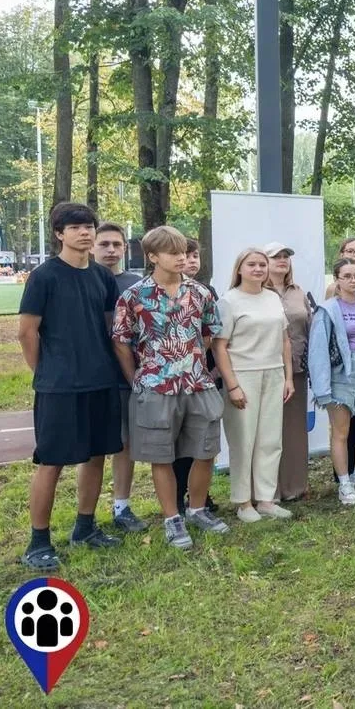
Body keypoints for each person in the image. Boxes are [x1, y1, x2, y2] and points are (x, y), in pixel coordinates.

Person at [17, 203, 124, 570]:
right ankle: (38, 542)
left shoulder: (103, 277)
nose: (85, 232)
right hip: (59, 387)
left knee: (96, 456)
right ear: (59, 234)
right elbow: (26, 331)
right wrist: (45, 372)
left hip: (101, 380)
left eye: (89, 226)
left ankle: (85, 527)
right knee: (52, 462)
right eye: (76, 227)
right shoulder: (44, 277)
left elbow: (113, 330)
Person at [111, 225, 231, 549]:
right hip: (155, 386)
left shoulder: (201, 292)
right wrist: (136, 377)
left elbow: (210, 333)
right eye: (172, 253)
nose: (181, 258)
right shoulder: (134, 296)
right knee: (161, 456)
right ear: (152, 256)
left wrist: (192, 360)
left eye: (183, 252)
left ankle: (197, 509)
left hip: (197, 382)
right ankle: (172, 519)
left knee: (206, 450)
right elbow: (122, 342)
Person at [212, 248, 295, 521]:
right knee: (243, 441)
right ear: (239, 269)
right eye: (252, 264)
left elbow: (284, 340)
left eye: (262, 264)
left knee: (270, 440)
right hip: (243, 375)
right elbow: (219, 346)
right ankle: (243, 502)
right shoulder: (229, 301)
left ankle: (266, 499)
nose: (258, 269)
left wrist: (288, 377)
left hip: (273, 374)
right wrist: (232, 384)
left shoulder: (272, 298)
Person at [309, 258, 355, 505]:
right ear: (337, 279)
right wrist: (322, 389)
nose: (353, 280)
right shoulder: (327, 310)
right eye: (347, 276)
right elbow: (318, 350)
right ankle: (344, 483)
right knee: (340, 433)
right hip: (340, 376)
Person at [91, 222, 146, 533]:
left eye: (116, 244)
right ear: (93, 246)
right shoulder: (83, 279)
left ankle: (121, 506)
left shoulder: (136, 284)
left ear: (125, 248)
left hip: (127, 375)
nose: (110, 250)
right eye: (104, 244)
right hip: (91, 376)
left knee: (126, 444)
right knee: (95, 447)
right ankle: (86, 514)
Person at [264, 242, 312, 502]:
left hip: (297, 371)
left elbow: (309, 327)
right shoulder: (257, 291)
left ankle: (295, 486)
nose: (282, 260)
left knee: (294, 431)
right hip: (266, 369)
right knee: (268, 432)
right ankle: (269, 491)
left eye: (286, 257)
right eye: (276, 256)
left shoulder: (298, 292)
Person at [174, 239, 220, 514]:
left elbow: (211, 334)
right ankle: (177, 496)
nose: (191, 261)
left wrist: (210, 370)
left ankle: (200, 496)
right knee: (177, 446)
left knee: (201, 444)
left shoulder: (206, 292)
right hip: (171, 381)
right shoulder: (150, 293)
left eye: (194, 256)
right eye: (185, 255)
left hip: (202, 377)